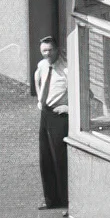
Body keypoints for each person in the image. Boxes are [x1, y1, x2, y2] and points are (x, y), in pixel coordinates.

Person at [29, 37, 70, 209]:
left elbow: (83, 92)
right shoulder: (42, 65)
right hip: (46, 113)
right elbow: (37, 78)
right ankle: (51, 200)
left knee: (60, 158)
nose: (47, 54)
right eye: (44, 50)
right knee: (45, 157)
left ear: (57, 49)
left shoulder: (67, 69)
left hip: (59, 115)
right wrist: (40, 99)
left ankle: (65, 201)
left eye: (50, 50)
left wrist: (68, 107)